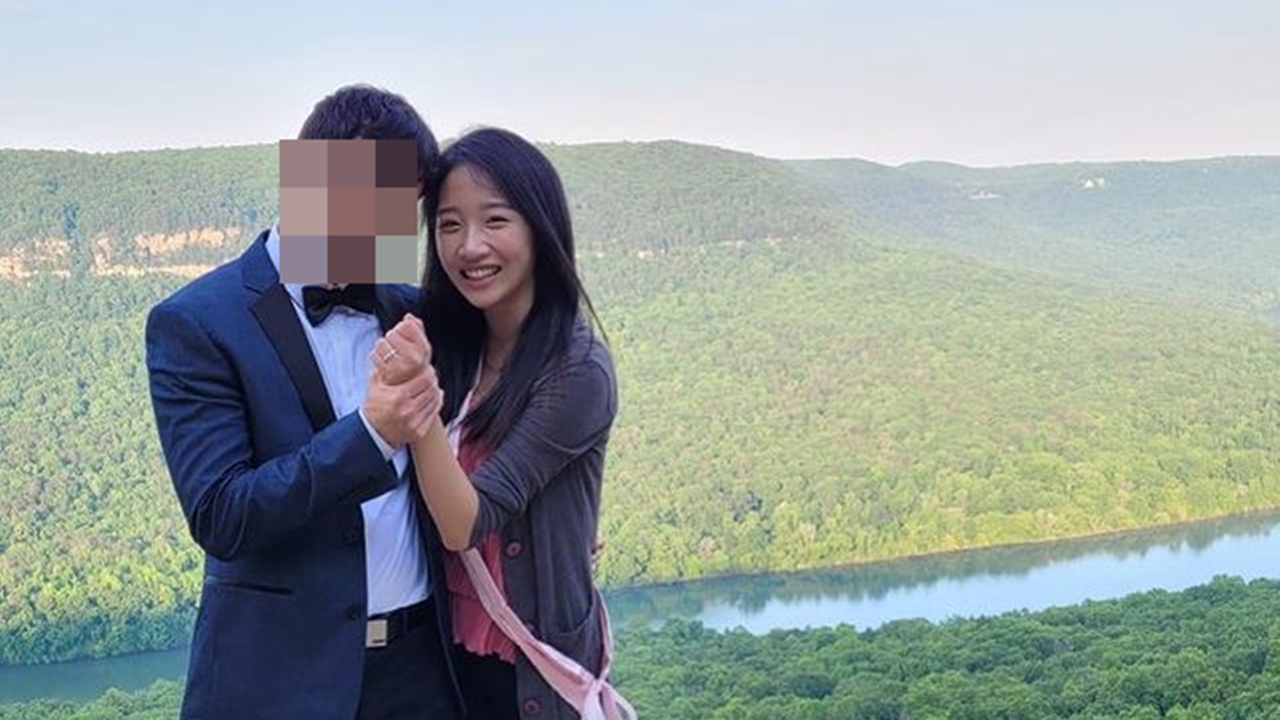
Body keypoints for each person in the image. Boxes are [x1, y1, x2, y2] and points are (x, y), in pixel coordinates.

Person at [145, 85, 462, 720]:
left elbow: (481, 435)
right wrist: (370, 434)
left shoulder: (409, 309)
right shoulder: (195, 322)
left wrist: (551, 520)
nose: (390, 229)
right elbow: (223, 515)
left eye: (403, 210)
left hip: (421, 672)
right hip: (278, 682)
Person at [370, 127, 632, 720]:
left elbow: (463, 523)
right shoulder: (449, 340)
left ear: (540, 227)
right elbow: (326, 293)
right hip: (439, 661)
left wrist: (417, 398)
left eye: (495, 221)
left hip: (528, 678)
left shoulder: (578, 370)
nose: (470, 247)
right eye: (449, 225)